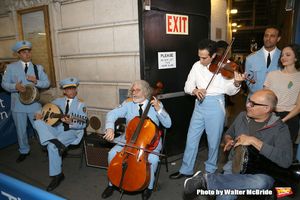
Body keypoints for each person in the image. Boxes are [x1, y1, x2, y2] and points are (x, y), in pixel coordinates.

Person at [183, 89, 293, 200]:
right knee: (226, 195)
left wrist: (254, 141)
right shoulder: (242, 116)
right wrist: (228, 140)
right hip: (235, 165)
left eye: (253, 104)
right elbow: (228, 133)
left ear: (267, 108)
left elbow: (286, 160)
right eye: (249, 101)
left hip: (261, 172)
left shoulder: (280, 128)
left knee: (260, 183)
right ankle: (209, 181)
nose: (248, 105)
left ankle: (206, 181)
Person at [169, 39, 244, 179]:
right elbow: (187, 86)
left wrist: (236, 83)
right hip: (199, 105)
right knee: (191, 138)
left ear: (214, 55)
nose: (201, 60)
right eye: (199, 56)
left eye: (204, 57)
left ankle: (210, 170)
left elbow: (230, 91)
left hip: (216, 105)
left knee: (213, 141)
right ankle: (186, 169)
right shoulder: (196, 66)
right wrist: (195, 90)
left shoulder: (226, 67)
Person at [101, 80, 172, 200]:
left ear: (145, 92)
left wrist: (159, 110)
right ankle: (111, 184)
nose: (134, 93)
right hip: (128, 140)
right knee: (111, 153)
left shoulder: (156, 105)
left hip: (149, 143)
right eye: (133, 90)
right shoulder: (128, 104)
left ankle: (148, 187)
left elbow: (168, 124)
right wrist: (109, 129)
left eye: (137, 90)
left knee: (153, 159)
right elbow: (112, 114)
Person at [34, 77, 87, 191]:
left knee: (51, 146)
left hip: (72, 132)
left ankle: (58, 175)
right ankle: (56, 142)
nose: (71, 91)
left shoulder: (80, 105)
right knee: (38, 122)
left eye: (73, 89)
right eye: (68, 89)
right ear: (64, 91)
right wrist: (38, 114)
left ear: (76, 90)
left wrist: (71, 122)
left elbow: (83, 124)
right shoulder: (57, 101)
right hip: (57, 129)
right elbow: (44, 109)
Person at [1, 40, 50, 162]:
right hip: (17, 105)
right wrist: (14, 87)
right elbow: (4, 84)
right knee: (20, 130)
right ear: (18, 54)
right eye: (23, 52)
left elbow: (47, 83)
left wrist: (36, 81)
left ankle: (46, 147)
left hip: (34, 105)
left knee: (39, 128)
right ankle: (24, 150)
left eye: (28, 52)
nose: (27, 55)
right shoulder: (11, 68)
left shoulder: (38, 68)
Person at [264, 44, 300, 159]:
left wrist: (283, 120)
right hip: (271, 115)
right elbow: (265, 98)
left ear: (296, 58)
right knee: (267, 150)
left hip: (290, 118)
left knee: (284, 155)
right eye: (282, 55)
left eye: (288, 54)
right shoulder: (272, 75)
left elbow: (299, 106)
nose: (283, 57)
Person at [245, 26, 281, 97]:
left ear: (278, 39)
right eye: (266, 35)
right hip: (255, 100)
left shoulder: (283, 57)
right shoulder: (251, 58)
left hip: (276, 100)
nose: (268, 38)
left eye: (272, 36)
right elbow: (248, 79)